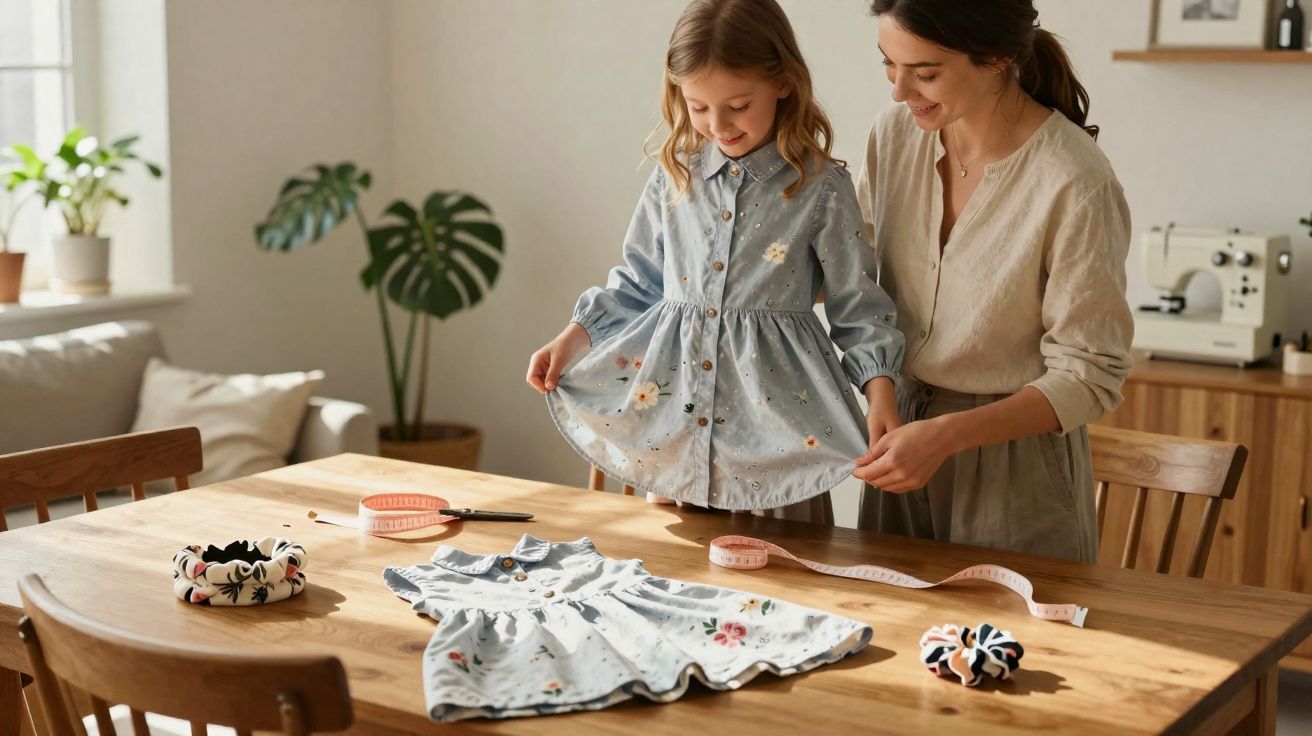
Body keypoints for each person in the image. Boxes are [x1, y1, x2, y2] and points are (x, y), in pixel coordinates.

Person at [527, 0, 905, 524]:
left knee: (784, 581)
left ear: (783, 83)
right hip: (676, 435)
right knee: (679, 580)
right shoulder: (674, 175)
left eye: (737, 105)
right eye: (697, 107)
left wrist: (880, 390)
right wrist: (576, 335)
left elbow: (857, 306)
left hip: (779, 442)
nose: (717, 124)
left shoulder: (820, 188)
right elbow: (639, 281)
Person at [854, 0, 1134, 561]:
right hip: (901, 441)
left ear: (997, 57)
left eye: (926, 73)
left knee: (1016, 649)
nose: (899, 92)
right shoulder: (895, 137)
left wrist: (949, 434)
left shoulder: (1075, 180)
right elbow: (853, 283)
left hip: (1015, 466)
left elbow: (1089, 375)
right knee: (888, 634)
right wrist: (877, 383)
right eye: (889, 65)